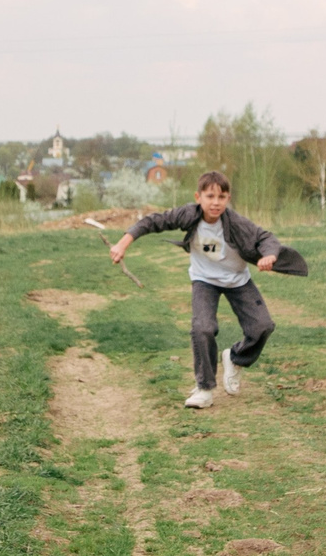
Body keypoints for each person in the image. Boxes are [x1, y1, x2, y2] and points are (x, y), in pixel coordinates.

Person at [110, 172, 305, 409]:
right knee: (202, 328)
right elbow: (152, 221)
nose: (215, 202)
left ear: (228, 198)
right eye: (210, 196)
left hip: (237, 281)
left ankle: (235, 358)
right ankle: (204, 388)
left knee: (262, 326)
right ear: (198, 197)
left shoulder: (236, 223)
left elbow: (265, 238)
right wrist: (123, 243)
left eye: (221, 197)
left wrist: (270, 255)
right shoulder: (188, 215)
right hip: (205, 280)